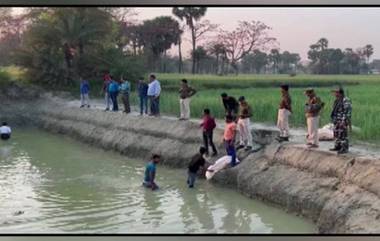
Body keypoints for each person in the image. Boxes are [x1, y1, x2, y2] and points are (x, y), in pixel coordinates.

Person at [329, 87, 352, 154]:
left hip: (342, 120)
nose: (335, 94)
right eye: (334, 92)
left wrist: (344, 121)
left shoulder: (346, 100)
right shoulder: (337, 100)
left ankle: (344, 148)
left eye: (336, 92)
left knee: (343, 135)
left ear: (340, 93)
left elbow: (347, 112)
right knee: (336, 133)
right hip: (336, 120)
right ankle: (337, 146)